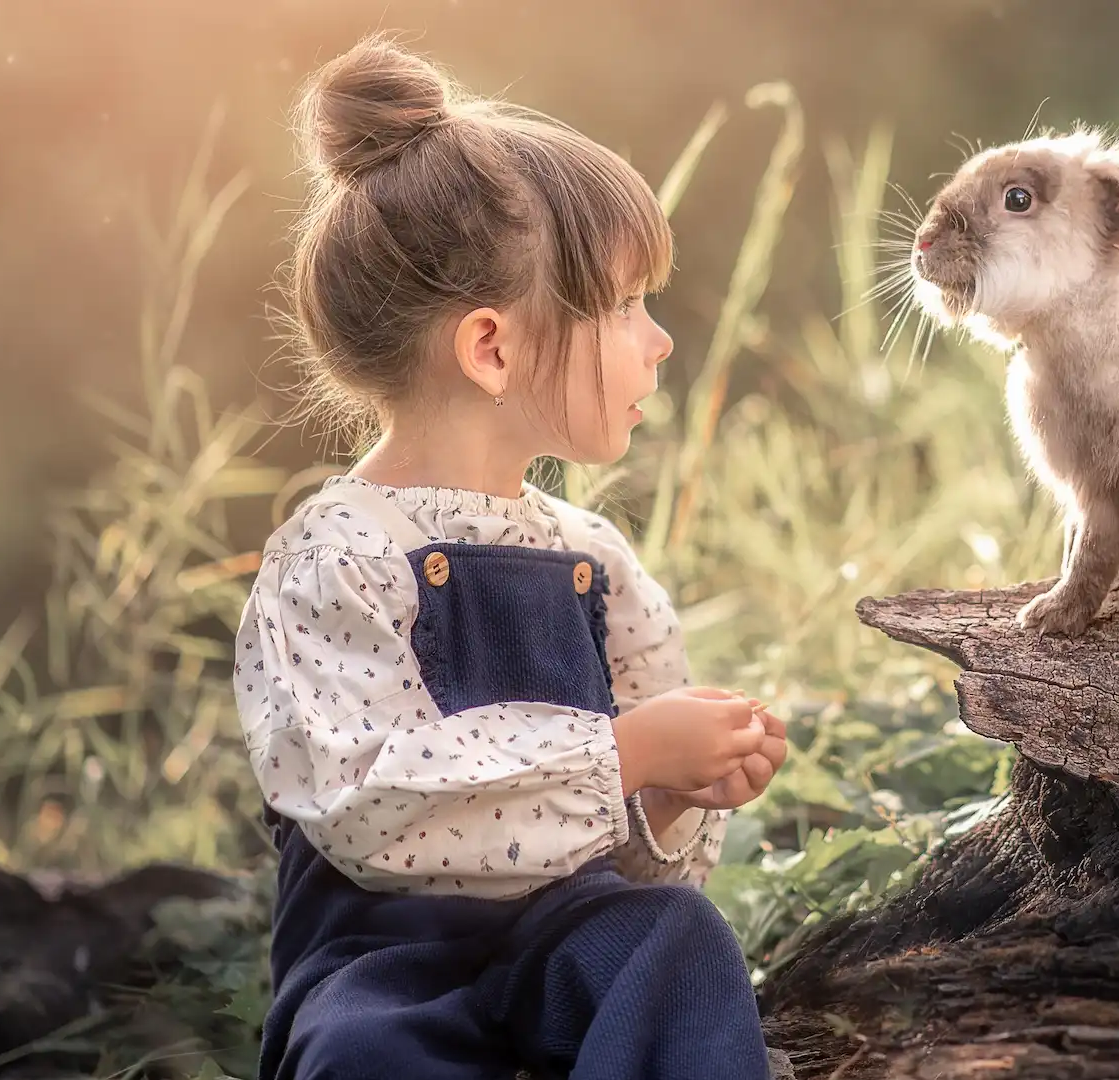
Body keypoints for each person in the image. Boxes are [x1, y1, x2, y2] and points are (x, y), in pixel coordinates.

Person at [232, 33, 792, 1080]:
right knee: (361, 1050)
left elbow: (625, 861)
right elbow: (367, 804)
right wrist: (627, 755)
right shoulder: (337, 555)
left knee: (674, 944)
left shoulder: (596, 559)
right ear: (492, 348)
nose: (658, 341)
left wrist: (673, 793)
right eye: (626, 305)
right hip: (385, 959)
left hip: (564, 941)